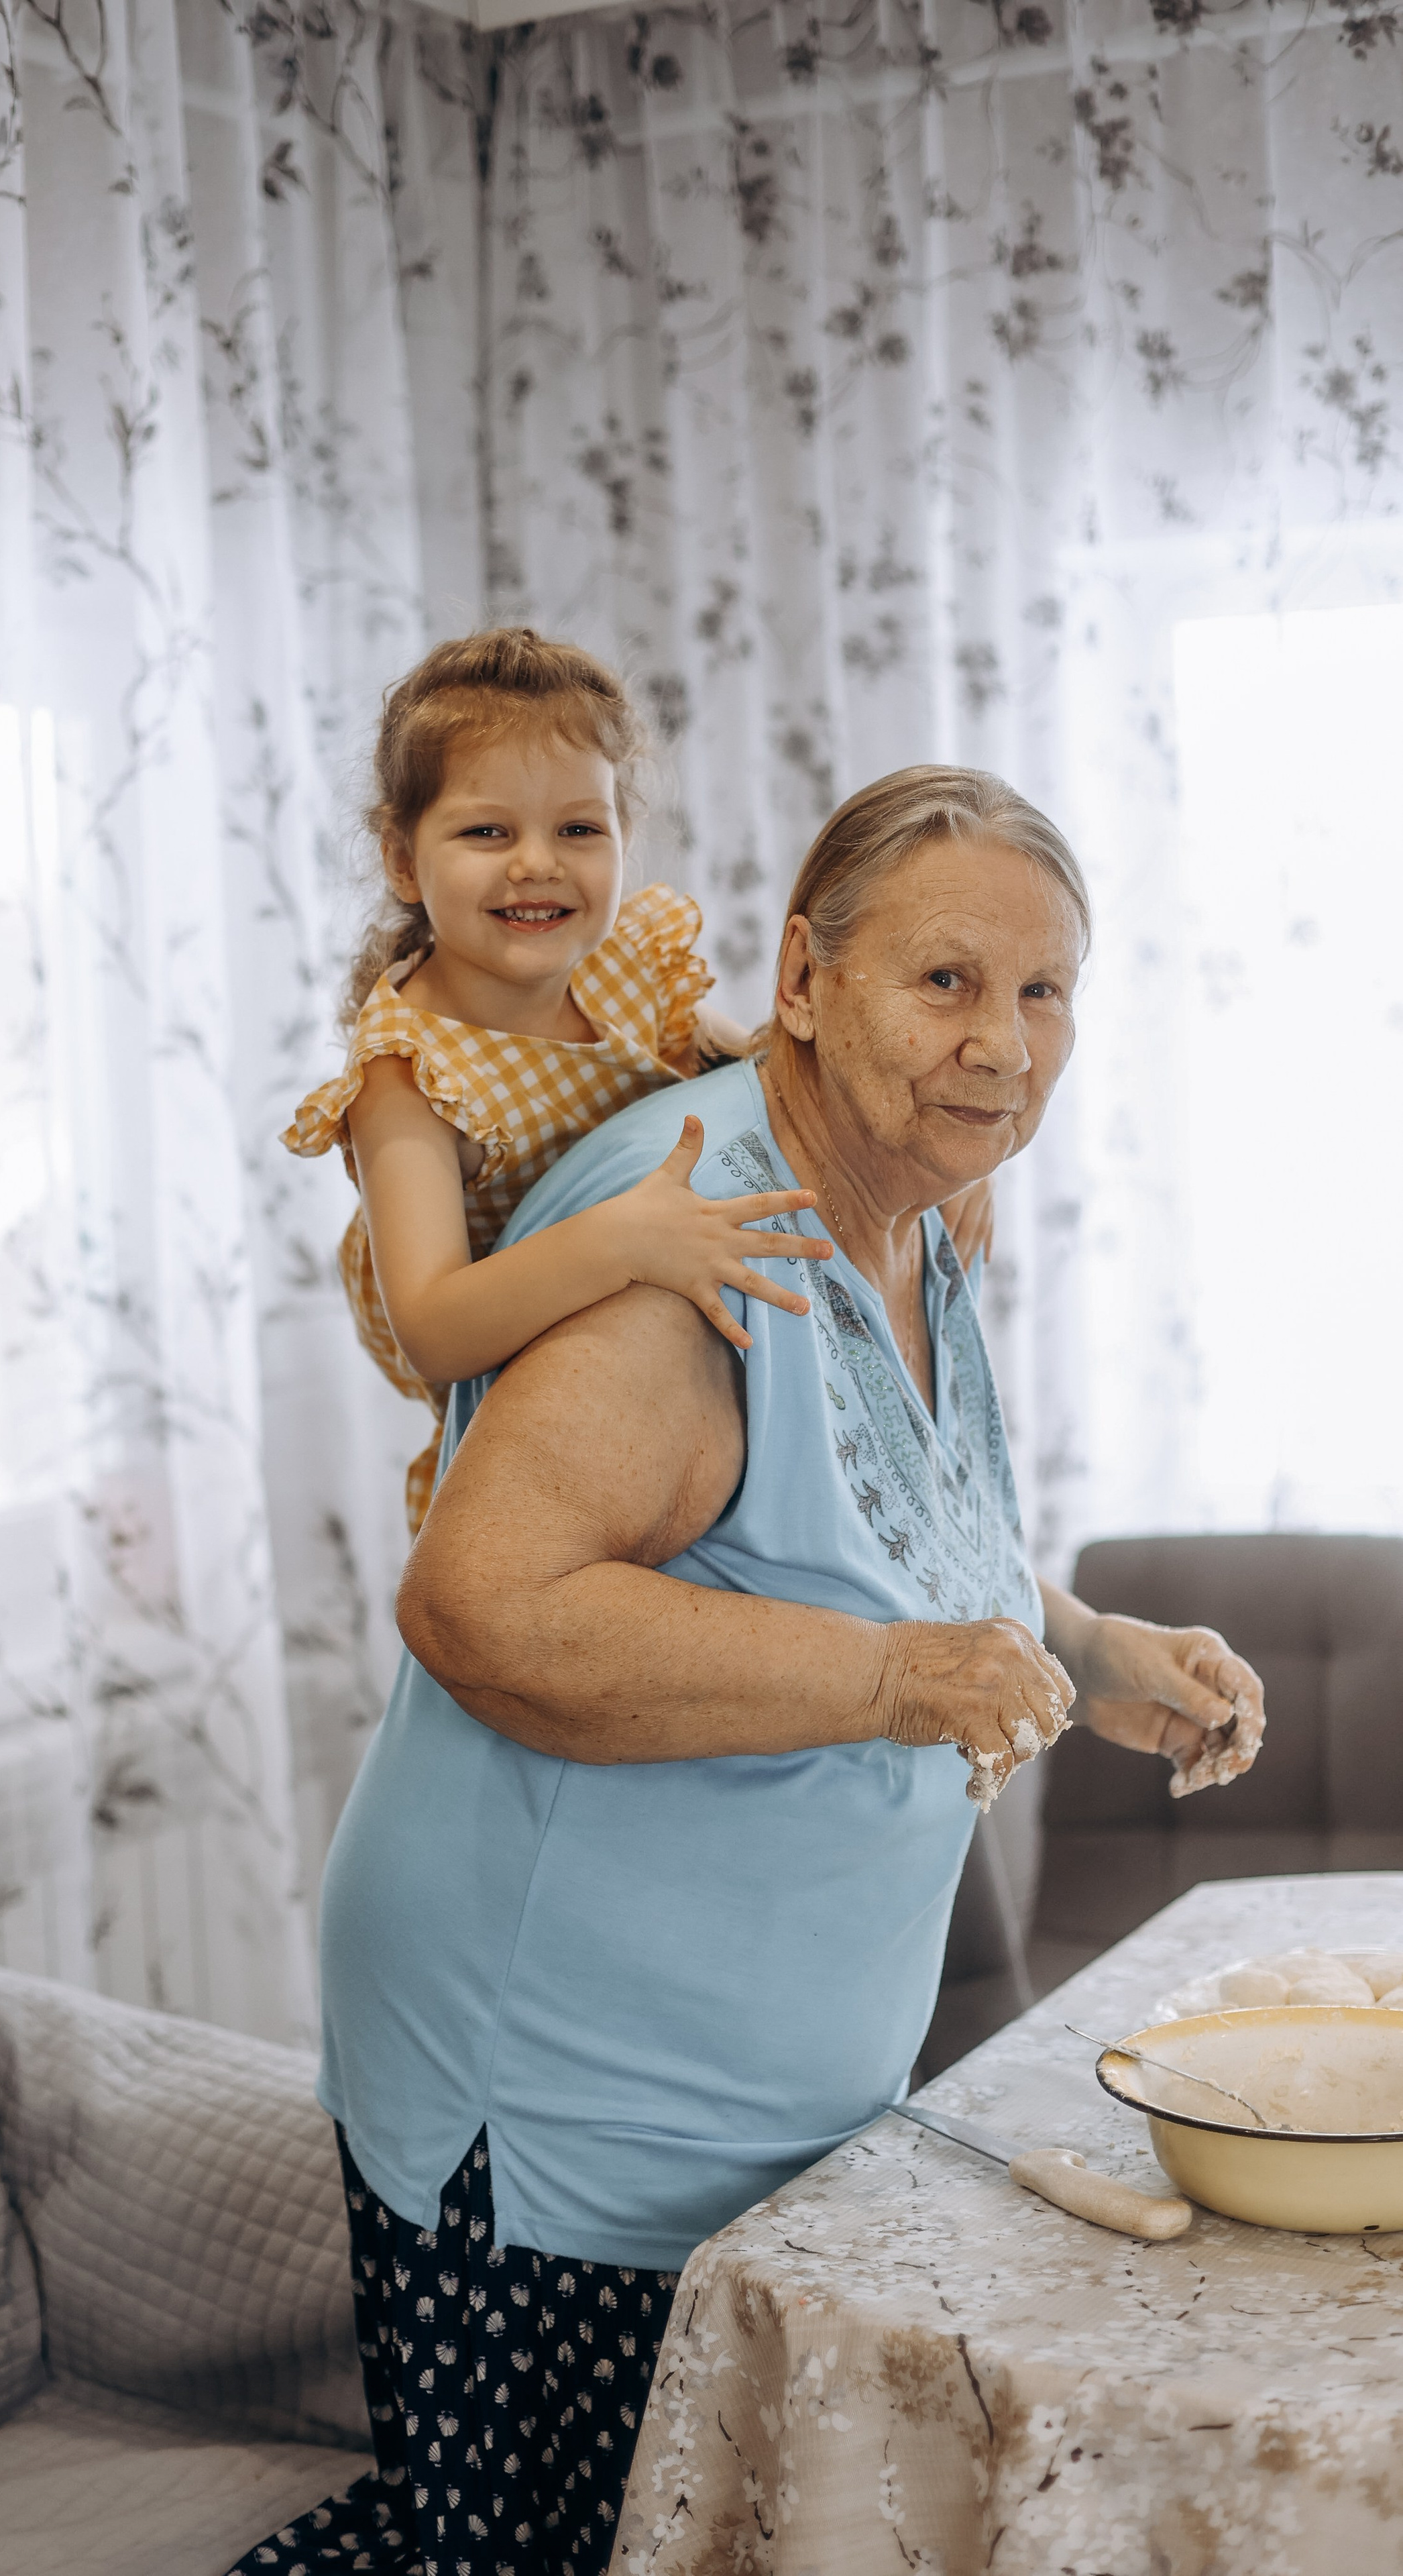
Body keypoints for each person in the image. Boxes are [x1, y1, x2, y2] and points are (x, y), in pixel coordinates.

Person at [231, 765, 1266, 2576]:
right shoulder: (689, 1249)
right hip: (564, 2103)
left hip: (777, 2107)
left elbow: (866, 1510)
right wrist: (887, 1683)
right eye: (945, 982)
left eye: (1043, 994)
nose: (1003, 1045)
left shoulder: (930, 1205)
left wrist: (1085, 1649)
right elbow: (482, 1608)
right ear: (802, 980)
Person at [283, 628, 992, 1534]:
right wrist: (621, 1241)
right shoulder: (407, 1074)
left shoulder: (624, 960)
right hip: (533, 1377)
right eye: (486, 830)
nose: (536, 862)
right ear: (399, 858)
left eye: (578, 828)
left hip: (664, 1328)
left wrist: (939, 1169)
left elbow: (777, 1075)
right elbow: (432, 1323)